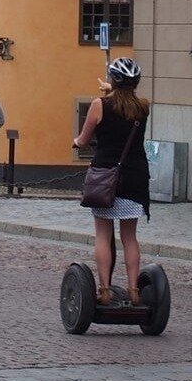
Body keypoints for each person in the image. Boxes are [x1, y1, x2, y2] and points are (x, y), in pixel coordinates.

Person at [71, 58, 151, 306]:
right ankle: (134, 290)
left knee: (103, 235)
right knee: (130, 237)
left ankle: (104, 290)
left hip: (106, 178)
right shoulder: (143, 107)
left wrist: (76, 142)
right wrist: (113, 90)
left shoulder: (98, 105)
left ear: (114, 80)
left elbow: (83, 140)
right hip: (135, 178)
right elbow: (124, 104)